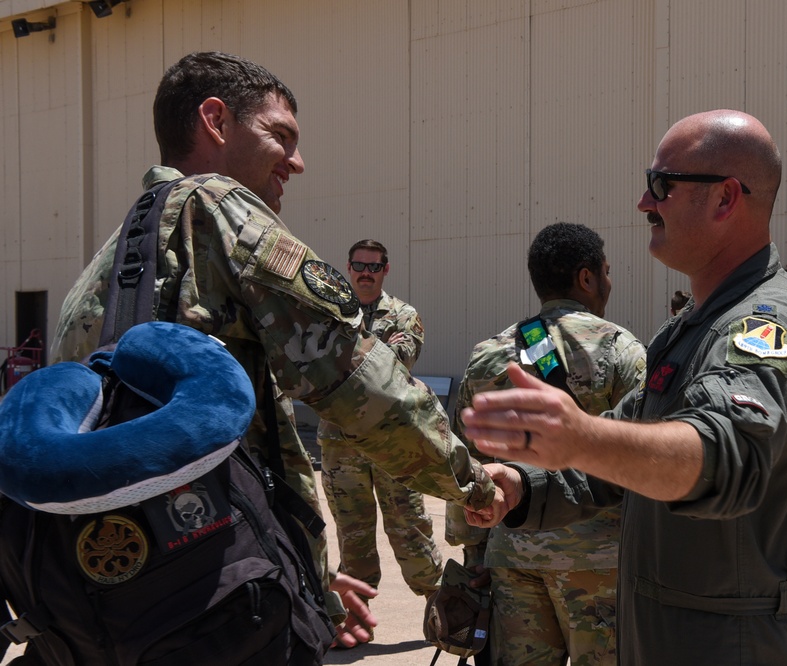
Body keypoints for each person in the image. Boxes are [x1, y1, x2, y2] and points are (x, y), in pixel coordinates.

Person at [50, 51, 498, 648]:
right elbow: (359, 383)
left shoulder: (107, 266)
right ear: (215, 122)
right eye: (279, 136)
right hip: (216, 604)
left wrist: (309, 577)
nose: (297, 162)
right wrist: (475, 485)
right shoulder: (219, 208)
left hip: (118, 597)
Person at [460, 110, 787, 664]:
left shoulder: (762, 328)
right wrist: (524, 485)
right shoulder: (691, 328)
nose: (645, 203)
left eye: (661, 185)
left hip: (735, 644)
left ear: (724, 199)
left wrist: (580, 437)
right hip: (672, 631)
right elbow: (628, 438)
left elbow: (722, 454)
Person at [449, 222, 646, 666]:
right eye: (607, 271)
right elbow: (643, 451)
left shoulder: (488, 353)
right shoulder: (621, 349)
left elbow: (465, 461)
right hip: (598, 564)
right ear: (587, 277)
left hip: (511, 555)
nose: (608, 282)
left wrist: (474, 554)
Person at [318, 239, 444, 606]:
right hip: (341, 445)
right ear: (349, 267)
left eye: (374, 267)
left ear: (385, 270)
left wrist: (339, 356)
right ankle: (357, 618)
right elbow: (312, 363)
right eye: (359, 266)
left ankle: (442, 609)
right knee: (352, 533)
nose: (366, 274)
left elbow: (393, 365)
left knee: (410, 529)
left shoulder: (404, 315)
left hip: (392, 445)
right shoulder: (329, 312)